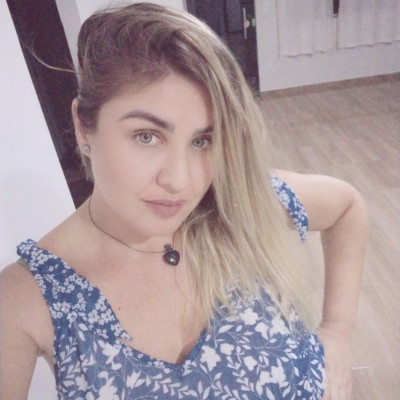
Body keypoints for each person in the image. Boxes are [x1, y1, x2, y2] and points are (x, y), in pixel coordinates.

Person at [0, 3, 368, 399]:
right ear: (82, 126)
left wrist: (338, 331)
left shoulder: (233, 204)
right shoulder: (25, 301)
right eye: (147, 136)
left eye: (202, 141)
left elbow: (346, 208)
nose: (180, 180)